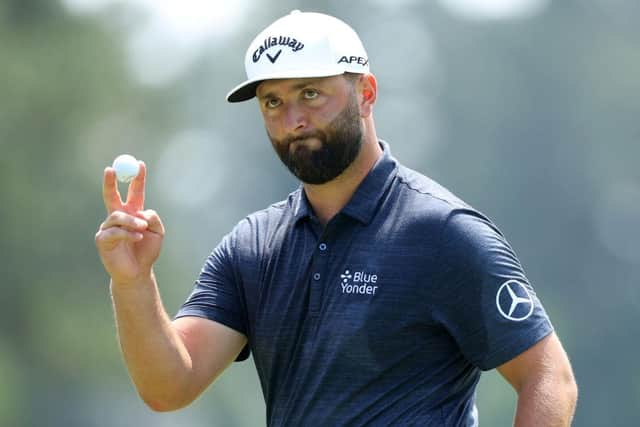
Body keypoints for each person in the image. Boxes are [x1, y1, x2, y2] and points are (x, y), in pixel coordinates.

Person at [95, 10, 578, 426]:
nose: (292, 120)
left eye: (310, 94)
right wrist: (133, 282)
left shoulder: (442, 233)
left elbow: (548, 376)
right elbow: (170, 385)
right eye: (273, 102)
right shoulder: (253, 248)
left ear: (365, 92)